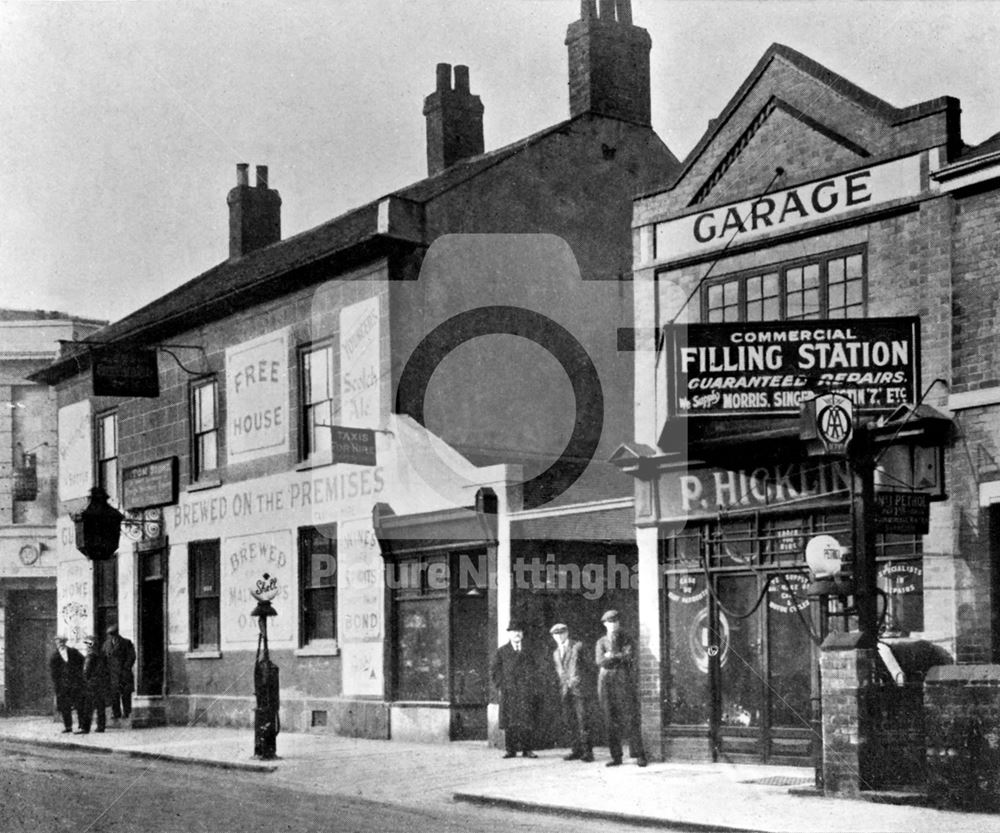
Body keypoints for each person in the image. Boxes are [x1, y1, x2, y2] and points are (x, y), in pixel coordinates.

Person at [595, 609, 647, 767]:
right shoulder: (601, 642)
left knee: (631, 718)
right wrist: (615, 657)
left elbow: (629, 656)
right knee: (610, 720)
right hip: (605, 684)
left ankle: (638, 754)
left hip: (623, 682)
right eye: (610, 622)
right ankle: (616, 756)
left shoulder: (626, 638)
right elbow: (600, 661)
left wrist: (611, 655)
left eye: (615, 621)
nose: (613, 624)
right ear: (605, 624)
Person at [490, 621, 538, 759]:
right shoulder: (502, 651)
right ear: (509, 634)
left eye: (519, 631)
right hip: (509, 692)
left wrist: (533, 686)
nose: (517, 634)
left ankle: (527, 749)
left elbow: (536, 669)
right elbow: (495, 671)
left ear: (522, 634)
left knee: (526, 720)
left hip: (526, 691)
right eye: (513, 631)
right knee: (510, 722)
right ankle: (510, 750)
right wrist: (501, 686)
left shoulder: (529, 650)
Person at [549, 623, 593, 762]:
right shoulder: (556, 653)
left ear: (567, 633)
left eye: (562, 633)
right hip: (565, 690)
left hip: (579, 689)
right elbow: (560, 671)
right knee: (570, 721)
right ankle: (576, 750)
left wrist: (580, 680)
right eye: (556, 634)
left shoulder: (577, 646)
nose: (559, 636)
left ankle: (588, 752)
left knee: (583, 720)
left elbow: (589, 666)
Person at [48, 635, 84, 734]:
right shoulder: (54, 657)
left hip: (75, 684)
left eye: (62, 642)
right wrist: (57, 685)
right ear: (56, 643)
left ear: (65, 642)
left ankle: (82, 726)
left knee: (79, 705)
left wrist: (79, 676)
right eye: (58, 642)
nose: (60, 644)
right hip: (62, 686)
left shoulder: (73, 652)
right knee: (65, 706)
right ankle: (68, 727)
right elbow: (54, 674)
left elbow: (83, 662)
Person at [102, 624, 136, 721]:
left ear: (117, 633)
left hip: (124, 673)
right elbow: (103, 658)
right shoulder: (106, 644)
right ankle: (116, 713)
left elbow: (131, 656)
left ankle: (127, 712)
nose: (112, 637)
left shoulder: (126, 642)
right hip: (112, 674)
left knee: (125, 694)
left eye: (114, 634)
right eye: (110, 635)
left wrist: (126, 667)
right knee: (114, 694)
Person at [80, 635, 111, 734]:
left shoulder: (90, 655)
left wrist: (86, 681)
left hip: (92, 684)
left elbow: (86, 671)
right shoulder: (103, 655)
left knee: (88, 707)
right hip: (101, 684)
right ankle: (101, 727)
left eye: (87, 644)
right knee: (100, 706)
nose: (86, 646)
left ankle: (85, 728)